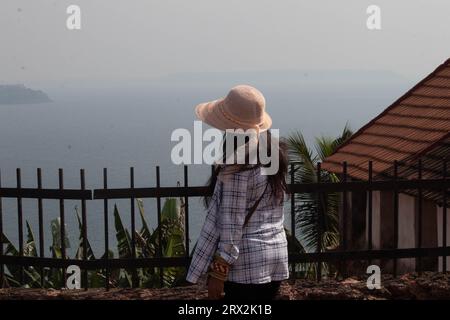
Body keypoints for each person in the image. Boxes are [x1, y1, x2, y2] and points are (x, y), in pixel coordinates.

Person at [186, 85, 289, 300]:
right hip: (274, 260)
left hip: (245, 269)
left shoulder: (237, 166)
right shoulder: (273, 155)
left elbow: (231, 224)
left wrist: (218, 272)